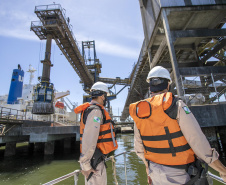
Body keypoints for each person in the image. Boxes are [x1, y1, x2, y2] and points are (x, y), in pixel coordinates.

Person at [129, 66, 226, 185]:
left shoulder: (140, 112)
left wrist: (148, 169)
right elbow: (198, 142)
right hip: (180, 175)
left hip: (154, 173)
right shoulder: (177, 105)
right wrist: (223, 171)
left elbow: (139, 149)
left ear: (150, 87)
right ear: (168, 85)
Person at [74, 81, 118, 185]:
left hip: (95, 159)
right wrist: (86, 166)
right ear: (103, 96)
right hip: (94, 163)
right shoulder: (96, 112)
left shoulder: (92, 110)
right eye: (105, 96)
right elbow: (89, 138)